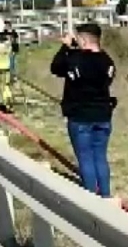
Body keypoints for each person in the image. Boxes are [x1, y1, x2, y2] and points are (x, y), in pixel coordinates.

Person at [50, 23, 116, 198]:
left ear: (85, 40)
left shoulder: (75, 59)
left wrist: (65, 46)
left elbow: (55, 67)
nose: (76, 41)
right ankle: (106, 196)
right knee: (100, 157)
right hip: (103, 116)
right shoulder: (107, 61)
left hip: (80, 118)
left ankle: (91, 199)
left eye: (78, 38)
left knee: (86, 159)